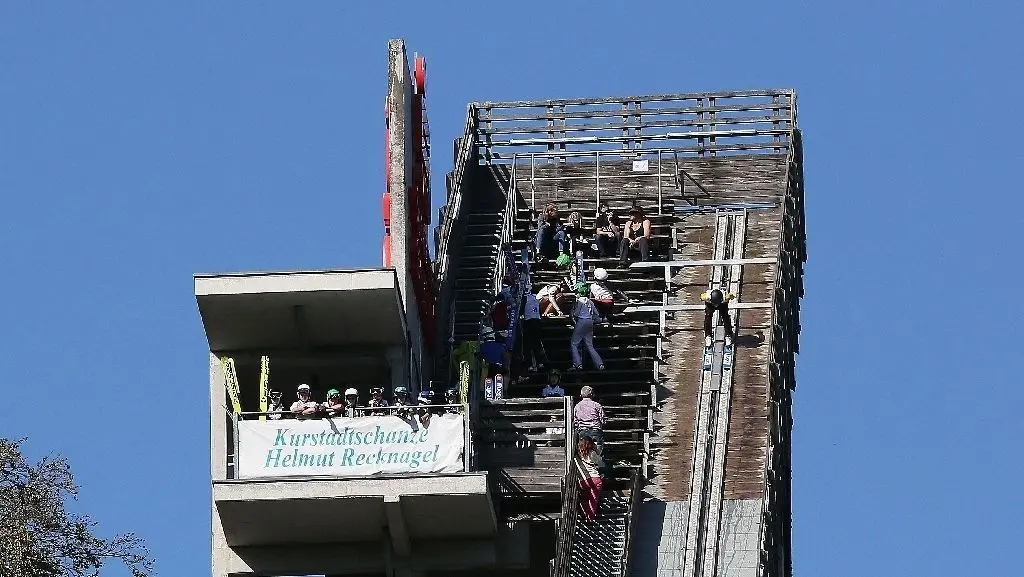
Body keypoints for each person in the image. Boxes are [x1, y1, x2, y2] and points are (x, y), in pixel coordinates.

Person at [569, 283, 605, 371]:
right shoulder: (590, 301)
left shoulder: (580, 301)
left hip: (582, 321)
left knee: (574, 343)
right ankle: (599, 364)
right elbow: (596, 313)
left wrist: (573, 313)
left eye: (577, 291)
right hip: (590, 321)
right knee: (589, 345)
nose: (575, 293)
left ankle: (578, 364)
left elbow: (576, 313)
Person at [577, 436, 605, 522]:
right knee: (593, 500)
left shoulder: (578, 453)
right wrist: (596, 450)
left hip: (583, 481)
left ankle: (583, 514)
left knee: (584, 498)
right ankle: (590, 518)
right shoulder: (592, 453)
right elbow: (601, 463)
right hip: (595, 479)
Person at [573, 385, 606, 458]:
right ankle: (597, 467)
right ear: (592, 394)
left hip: (583, 431)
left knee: (584, 453)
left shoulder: (577, 406)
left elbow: (575, 421)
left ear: (581, 395)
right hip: (595, 431)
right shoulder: (596, 405)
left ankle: (587, 468)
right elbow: (603, 420)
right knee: (598, 453)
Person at [521, 290, 548, 371]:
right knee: (537, 343)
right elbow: (539, 309)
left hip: (529, 321)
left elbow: (521, 310)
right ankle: (539, 362)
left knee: (527, 345)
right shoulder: (535, 298)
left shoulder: (524, 298)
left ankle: (530, 364)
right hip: (537, 321)